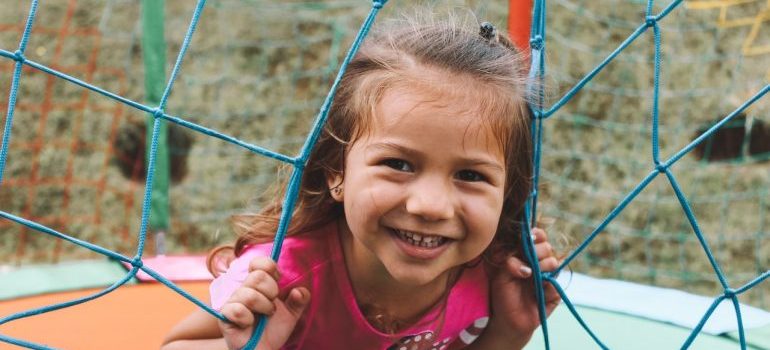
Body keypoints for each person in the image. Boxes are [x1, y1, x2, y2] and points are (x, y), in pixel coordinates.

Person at [162, 9, 561, 350]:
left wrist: (509, 332)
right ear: (337, 169)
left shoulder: (492, 274)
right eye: (399, 164)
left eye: (470, 175)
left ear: (508, 192)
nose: (430, 205)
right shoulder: (278, 277)